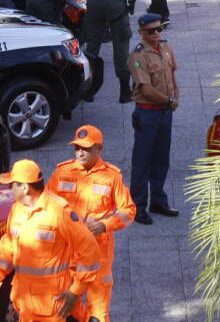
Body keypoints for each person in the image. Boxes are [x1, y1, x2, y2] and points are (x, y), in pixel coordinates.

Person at [0, 159, 102, 322]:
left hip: (53, 309)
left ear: (25, 187)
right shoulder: (17, 209)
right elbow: (7, 251)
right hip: (25, 306)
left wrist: (76, 290)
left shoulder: (59, 212)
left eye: (12, 184)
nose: (9, 189)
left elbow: (90, 251)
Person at [50, 127, 136, 322]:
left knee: (98, 314)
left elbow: (128, 210)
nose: (80, 152)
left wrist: (105, 225)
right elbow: (47, 205)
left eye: (86, 148)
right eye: (77, 148)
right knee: (65, 310)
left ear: (99, 148)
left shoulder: (112, 177)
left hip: (98, 255)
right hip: (68, 255)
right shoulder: (61, 172)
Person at [128, 13, 180, 224]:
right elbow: (146, 89)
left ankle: (158, 200)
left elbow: (172, 73)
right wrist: (168, 101)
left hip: (164, 112)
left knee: (161, 158)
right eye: (151, 31)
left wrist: (176, 94)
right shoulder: (138, 56)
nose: (157, 33)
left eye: (159, 29)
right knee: (142, 161)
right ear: (141, 32)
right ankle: (138, 206)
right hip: (148, 112)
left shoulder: (165, 48)